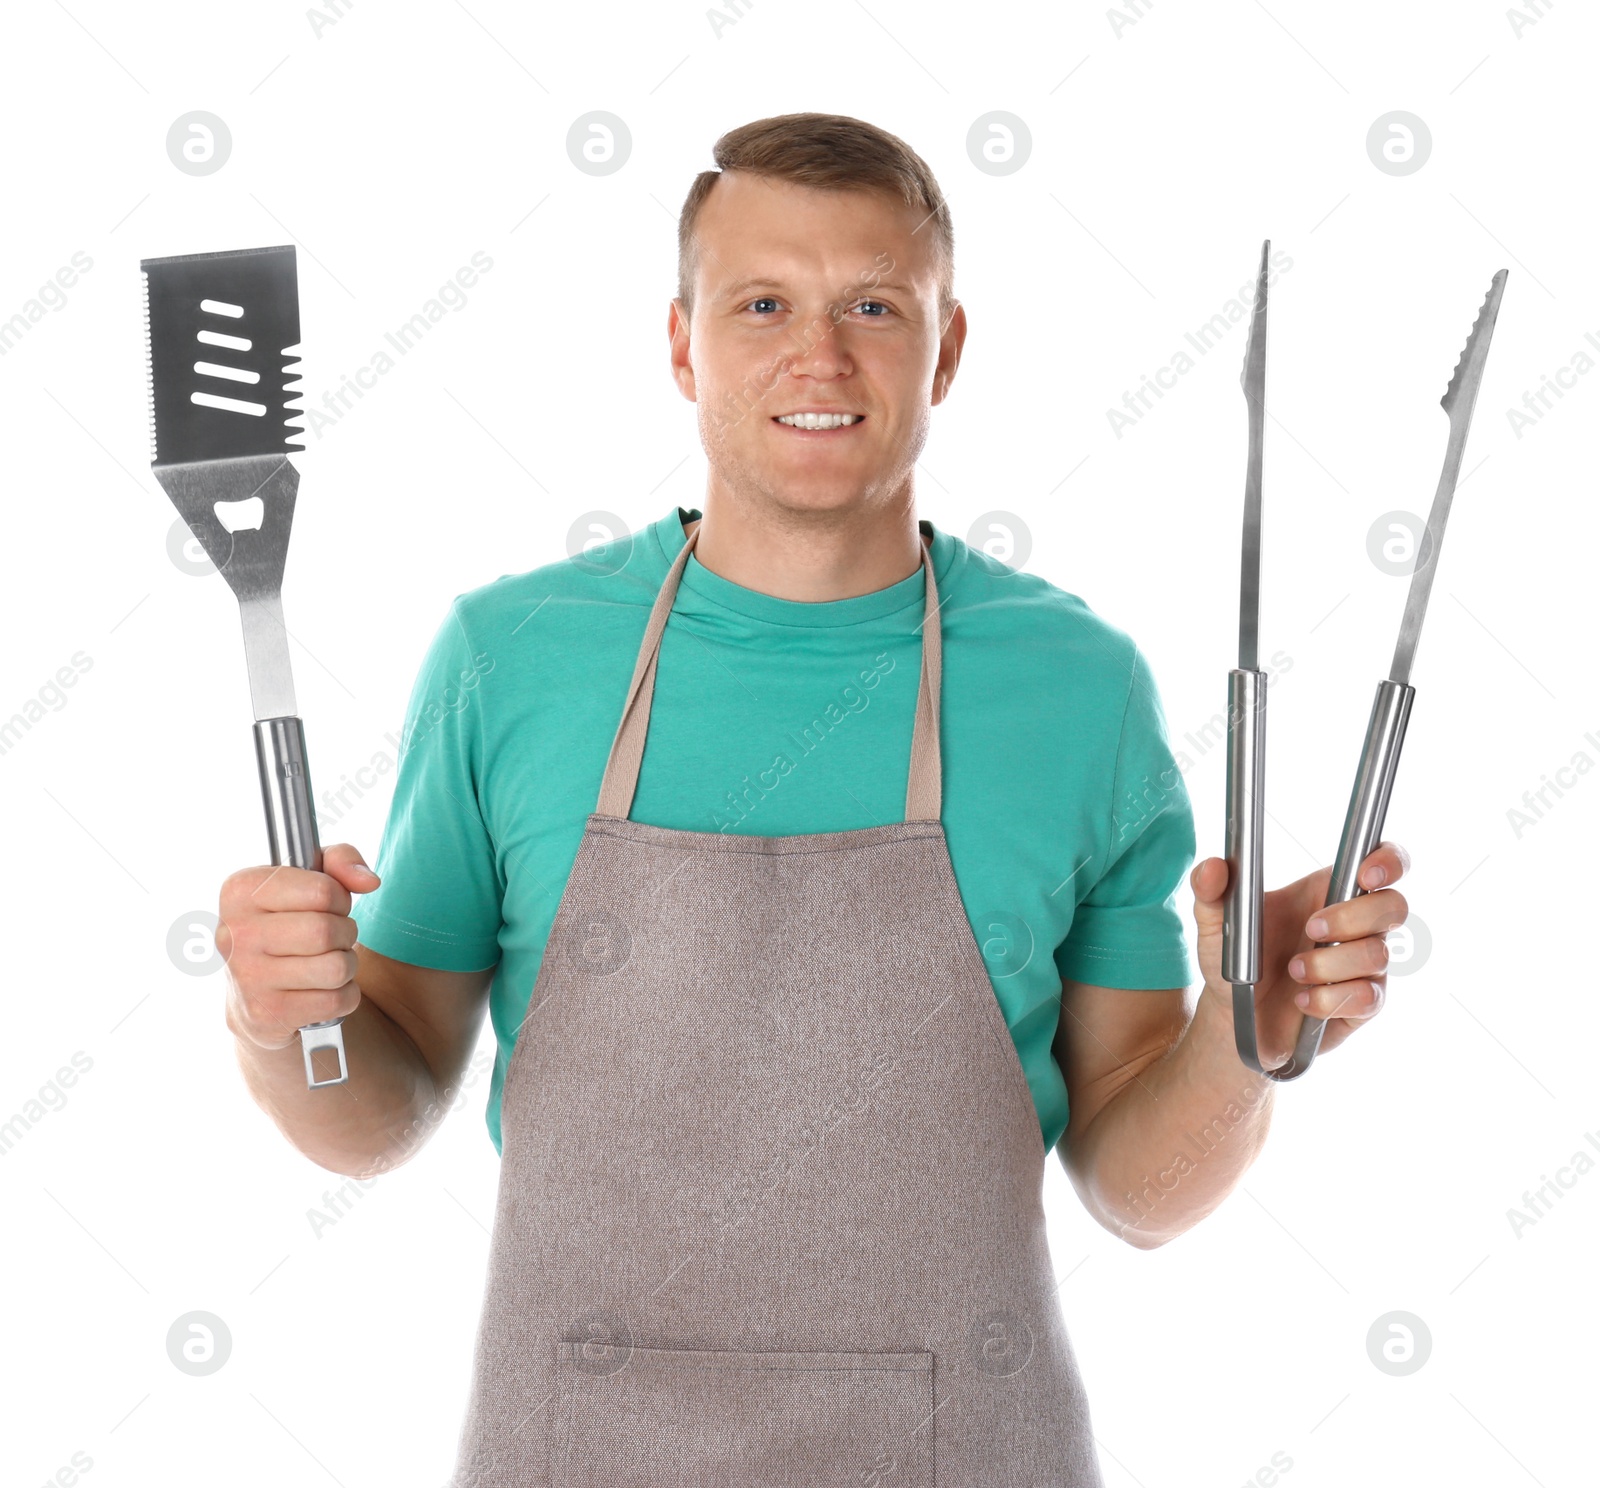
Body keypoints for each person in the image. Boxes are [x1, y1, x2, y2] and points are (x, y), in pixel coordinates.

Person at [216, 112, 1409, 1486]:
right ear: (682, 344)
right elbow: (381, 1108)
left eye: (876, 306)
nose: (820, 355)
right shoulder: (511, 662)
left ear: (948, 348)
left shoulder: (1079, 688)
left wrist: (1236, 1040)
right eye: (764, 302)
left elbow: (1137, 1192)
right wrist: (276, 1017)